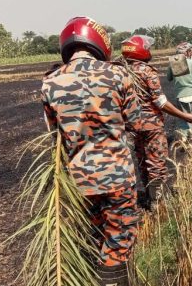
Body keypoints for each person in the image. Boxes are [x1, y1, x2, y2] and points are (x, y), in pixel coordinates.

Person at [41, 17, 140, 286]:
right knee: (119, 239)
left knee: (95, 235)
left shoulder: (50, 82)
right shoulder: (117, 75)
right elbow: (134, 120)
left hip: (79, 181)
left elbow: (55, 134)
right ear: (99, 43)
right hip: (117, 175)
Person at [120, 35, 192, 209]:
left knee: (141, 160)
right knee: (156, 162)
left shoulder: (120, 72)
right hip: (151, 126)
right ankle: (157, 202)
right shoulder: (147, 71)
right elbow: (160, 102)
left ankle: (148, 197)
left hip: (131, 126)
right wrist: (184, 116)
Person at [166, 42, 192, 140]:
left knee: (183, 118)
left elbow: (169, 78)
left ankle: (184, 138)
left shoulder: (172, 64)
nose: (191, 52)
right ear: (187, 52)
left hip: (180, 95)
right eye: (190, 51)